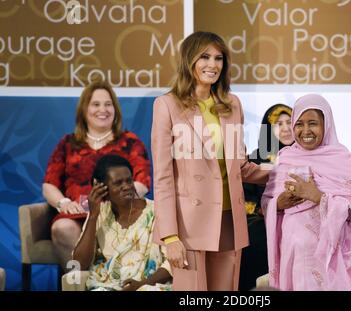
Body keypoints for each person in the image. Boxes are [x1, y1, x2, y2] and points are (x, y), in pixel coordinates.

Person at [151, 31, 269, 291]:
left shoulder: (231, 104)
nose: (213, 65)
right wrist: (170, 235)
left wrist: (280, 171)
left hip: (229, 219)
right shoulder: (167, 105)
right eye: (204, 57)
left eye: (218, 58)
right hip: (188, 225)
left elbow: (240, 166)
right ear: (188, 60)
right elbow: (162, 177)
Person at [261, 94, 351, 291]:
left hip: (335, 265)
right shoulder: (285, 159)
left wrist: (318, 196)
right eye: (299, 124)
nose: (305, 131)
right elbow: (267, 203)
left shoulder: (346, 162)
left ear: (326, 125)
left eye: (313, 123)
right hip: (296, 259)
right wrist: (279, 203)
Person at [42, 80, 151, 270]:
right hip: (76, 215)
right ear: (84, 110)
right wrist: (64, 203)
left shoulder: (130, 142)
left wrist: (115, 203)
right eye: (96, 104)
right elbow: (49, 184)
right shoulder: (68, 143)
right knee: (62, 228)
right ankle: (78, 283)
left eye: (108, 104)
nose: (103, 109)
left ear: (115, 109)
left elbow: (142, 183)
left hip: (118, 214)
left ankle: (110, 281)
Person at [72, 155, 171, 291]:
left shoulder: (156, 212)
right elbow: (79, 263)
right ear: (101, 187)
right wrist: (93, 216)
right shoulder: (99, 213)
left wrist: (142, 284)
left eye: (129, 181)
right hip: (108, 285)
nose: (126, 187)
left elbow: (171, 262)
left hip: (149, 285)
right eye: (118, 183)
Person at [239, 104, 294, 290]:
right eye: (279, 124)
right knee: (255, 237)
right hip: (262, 223)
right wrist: (270, 208)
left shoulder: (308, 159)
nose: (286, 128)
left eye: (290, 122)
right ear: (268, 129)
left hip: (298, 223)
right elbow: (244, 200)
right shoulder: (253, 161)